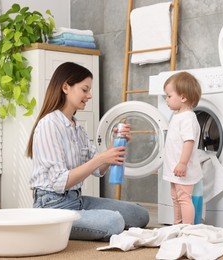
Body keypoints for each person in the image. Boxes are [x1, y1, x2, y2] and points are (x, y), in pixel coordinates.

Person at [26, 62, 149, 241]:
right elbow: (61, 182)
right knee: (113, 222)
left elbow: (99, 169)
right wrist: (101, 158)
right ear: (66, 87)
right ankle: (47, 225)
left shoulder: (77, 128)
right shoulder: (49, 125)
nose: (89, 95)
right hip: (52, 206)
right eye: (85, 90)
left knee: (140, 215)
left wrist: (114, 147)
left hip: (77, 200)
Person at [163, 71, 202, 225]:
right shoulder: (178, 116)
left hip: (182, 167)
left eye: (169, 96)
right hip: (175, 167)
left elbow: (189, 141)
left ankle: (187, 228)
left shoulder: (188, 118)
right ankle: (177, 225)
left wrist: (183, 163)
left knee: (184, 198)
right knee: (176, 197)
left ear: (183, 97)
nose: (166, 99)